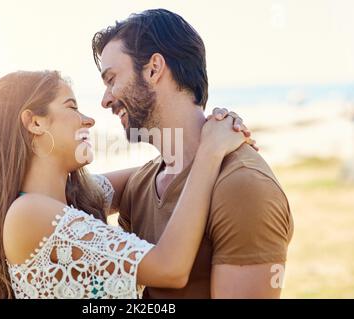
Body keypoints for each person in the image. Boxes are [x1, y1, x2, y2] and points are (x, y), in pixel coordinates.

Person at [0, 70, 253, 298]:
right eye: (72, 107)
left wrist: (209, 135)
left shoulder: (70, 199)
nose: (89, 120)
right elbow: (170, 268)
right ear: (34, 123)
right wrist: (211, 152)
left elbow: (163, 168)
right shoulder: (29, 213)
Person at [92, 8, 293, 298]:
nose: (105, 99)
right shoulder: (140, 185)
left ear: (153, 69)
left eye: (111, 79)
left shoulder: (244, 186)